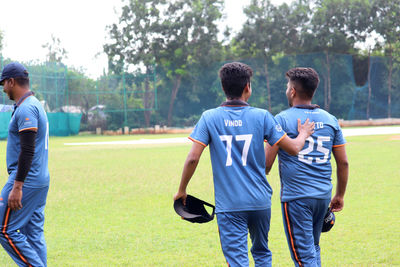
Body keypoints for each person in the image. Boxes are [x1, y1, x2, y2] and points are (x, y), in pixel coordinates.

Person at [174, 62, 314, 267]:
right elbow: (293, 148)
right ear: (248, 87)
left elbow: (193, 158)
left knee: (238, 262)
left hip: (229, 206)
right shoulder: (262, 116)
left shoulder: (209, 117)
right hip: (260, 202)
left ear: (223, 88)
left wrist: (182, 190)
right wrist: (303, 133)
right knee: (262, 253)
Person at [265, 67, 349, 267]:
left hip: (297, 198)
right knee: (313, 249)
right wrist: (339, 195)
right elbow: (343, 162)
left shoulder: (282, 120)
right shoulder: (331, 120)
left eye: (288, 87)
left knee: (304, 257)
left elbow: (266, 164)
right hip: (322, 197)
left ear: (292, 91)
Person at [0, 62, 50, 267]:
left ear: (12, 82)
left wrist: (17, 186)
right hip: (39, 178)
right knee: (33, 232)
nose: (3, 89)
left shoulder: (27, 108)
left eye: (3, 84)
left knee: (4, 229)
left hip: (25, 180)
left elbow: (27, 150)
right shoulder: (34, 104)